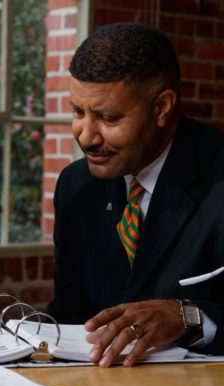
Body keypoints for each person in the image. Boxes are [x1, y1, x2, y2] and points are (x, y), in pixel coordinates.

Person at [47, 22, 224, 367]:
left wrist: (187, 317)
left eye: (108, 118)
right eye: (78, 112)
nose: (85, 136)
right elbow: (70, 315)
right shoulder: (75, 187)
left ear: (162, 108)